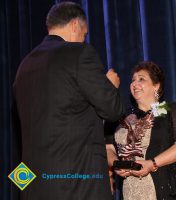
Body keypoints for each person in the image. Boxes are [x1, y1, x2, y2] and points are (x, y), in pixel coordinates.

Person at [12, 2, 124, 200]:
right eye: (84, 33)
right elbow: (113, 110)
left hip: (31, 186)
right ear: (75, 25)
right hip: (76, 185)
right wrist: (110, 87)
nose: (83, 39)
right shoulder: (79, 53)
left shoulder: (24, 67)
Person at [105, 61, 176, 199]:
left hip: (163, 189)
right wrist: (116, 164)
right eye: (133, 80)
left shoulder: (170, 110)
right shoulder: (121, 115)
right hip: (129, 192)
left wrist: (152, 163)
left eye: (141, 79)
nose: (135, 83)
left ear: (156, 86)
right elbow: (108, 147)